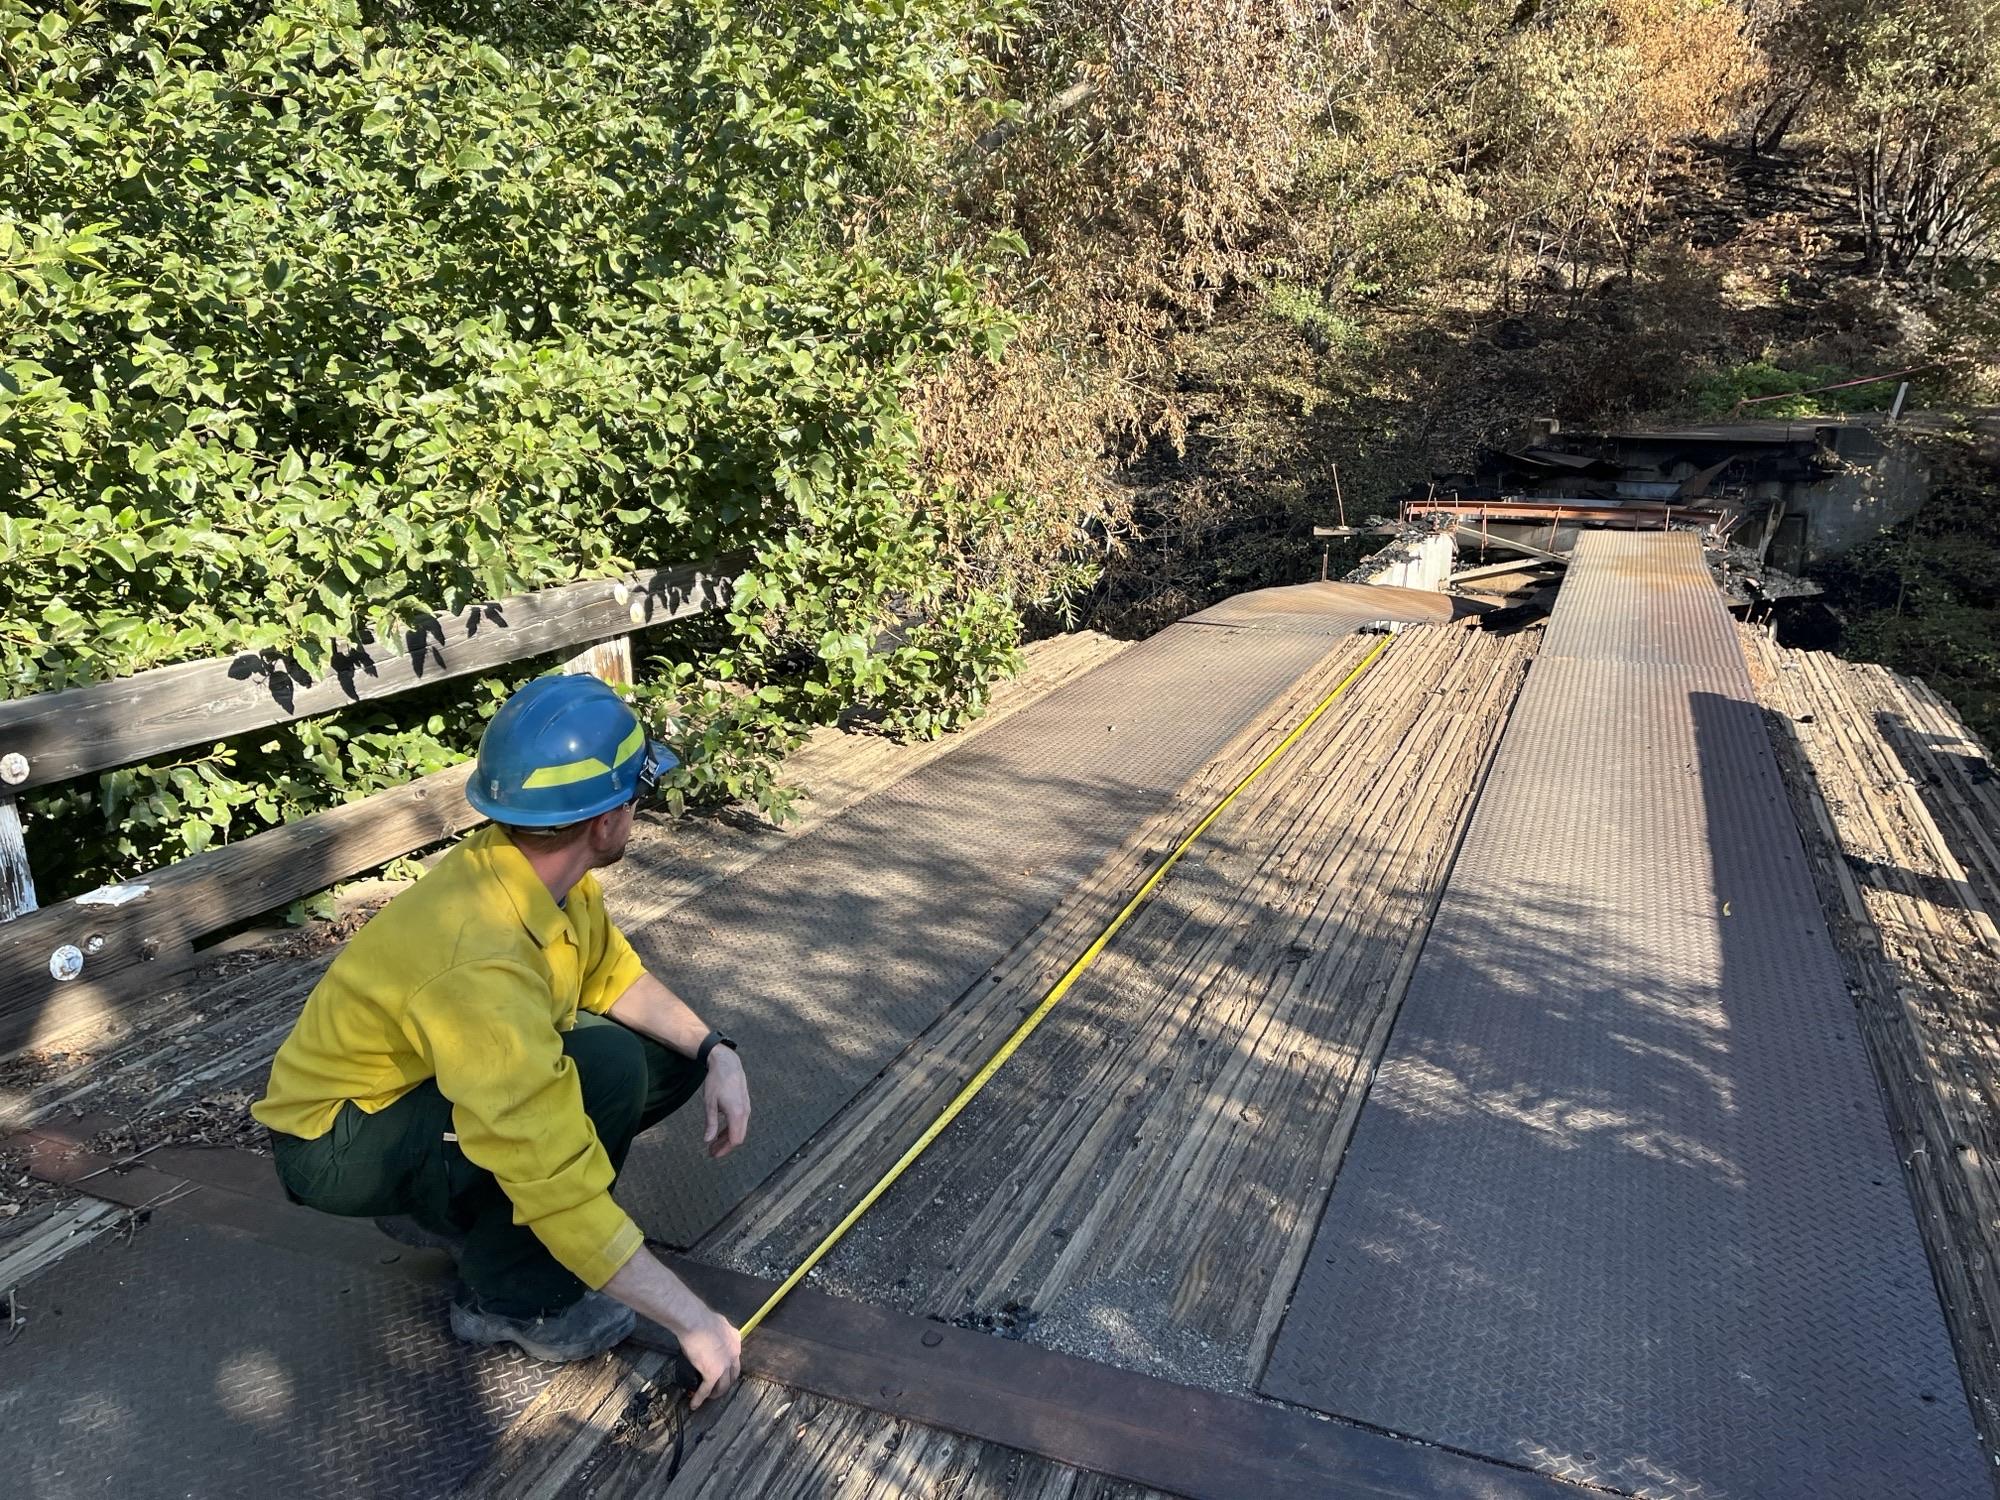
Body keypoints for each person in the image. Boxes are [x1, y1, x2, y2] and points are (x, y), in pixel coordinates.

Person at [252, 674, 748, 1406]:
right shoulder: (477, 954)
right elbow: (548, 1167)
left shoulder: (541, 869)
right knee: (604, 1072)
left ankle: (460, 1210)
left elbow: (610, 975)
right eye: (637, 794)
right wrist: (695, 1320)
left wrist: (716, 1050)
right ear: (607, 820)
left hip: (417, 1098)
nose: (639, 809)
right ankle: (514, 1301)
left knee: (657, 1058)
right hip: (336, 1142)